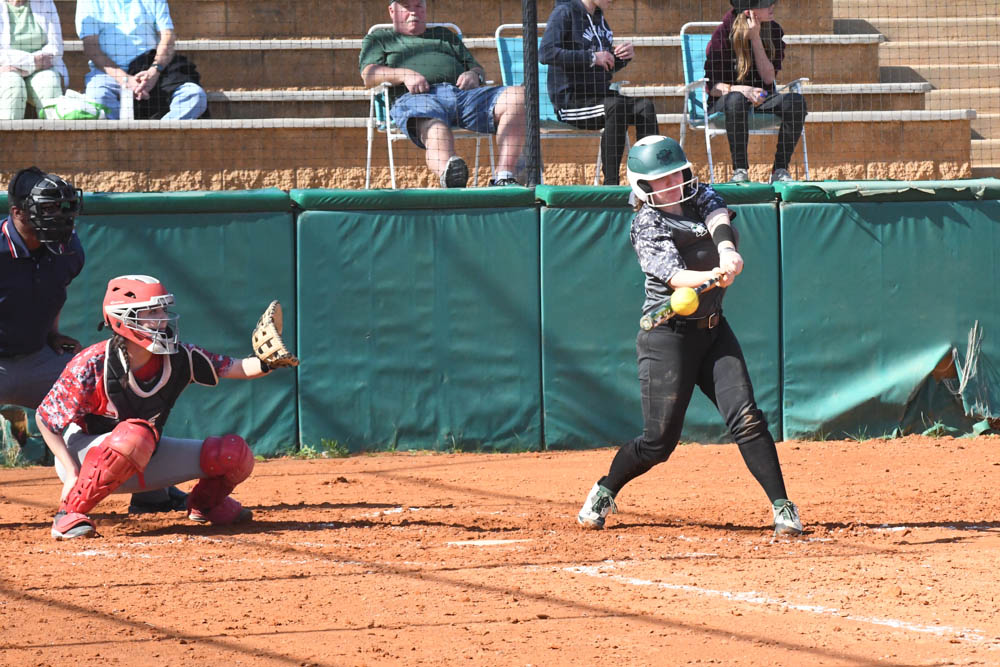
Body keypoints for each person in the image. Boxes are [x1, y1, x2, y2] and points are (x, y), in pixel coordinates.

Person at [576, 135, 802, 536]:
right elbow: (674, 275)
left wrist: (727, 252)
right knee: (658, 443)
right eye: (661, 180)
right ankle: (605, 489)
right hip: (667, 338)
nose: (672, 184)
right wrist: (710, 275)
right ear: (643, 186)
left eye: (676, 174)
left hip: (713, 331)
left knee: (747, 417)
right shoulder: (646, 223)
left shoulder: (699, 195)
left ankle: (782, 506)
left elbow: (718, 217)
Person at [36, 275, 286, 539]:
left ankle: (206, 504)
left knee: (233, 454)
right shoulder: (93, 363)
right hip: (84, 455)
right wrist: (71, 472)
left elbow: (237, 367)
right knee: (135, 435)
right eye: (152, 312)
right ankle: (69, 514)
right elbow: (45, 419)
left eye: (163, 310)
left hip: (142, 449)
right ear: (123, 318)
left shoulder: (178, 356)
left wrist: (267, 361)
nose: (163, 319)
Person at [0, 168, 188, 515]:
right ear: (17, 212)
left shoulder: (67, 248)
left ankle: (151, 492)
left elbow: (53, 291)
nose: (61, 217)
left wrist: (52, 334)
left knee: (117, 393)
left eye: (65, 207)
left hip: (37, 357)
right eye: (48, 208)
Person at [360, 0, 526, 188]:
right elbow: (368, 75)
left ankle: (504, 176)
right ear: (392, 11)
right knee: (435, 128)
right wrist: (404, 74)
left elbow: (477, 68)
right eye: (406, 7)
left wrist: (474, 75)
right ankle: (451, 175)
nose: (413, 12)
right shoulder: (379, 38)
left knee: (517, 96)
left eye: (418, 6)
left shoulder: (445, 35)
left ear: (425, 9)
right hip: (417, 98)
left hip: (463, 95)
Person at [539, 0, 659, 186]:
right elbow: (546, 53)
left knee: (645, 107)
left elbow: (605, 67)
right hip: (571, 102)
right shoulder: (564, 12)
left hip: (600, 97)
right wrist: (592, 57)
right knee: (616, 107)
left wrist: (620, 58)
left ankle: (649, 180)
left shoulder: (599, 18)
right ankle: (611, 184)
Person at [704, 0, 807, 184]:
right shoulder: (722, 34)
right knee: (736, 99)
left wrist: (755, 38)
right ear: (749, 11)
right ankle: (740, 171)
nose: (772, 6)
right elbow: (713, 87)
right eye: (766, 3)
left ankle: (780, 169)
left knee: (796, 102)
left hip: (762, 98)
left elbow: (768, 78)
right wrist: (742, 90)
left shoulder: (774, 31)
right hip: (726, 102)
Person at [76, 0, 207, 120]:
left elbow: (168, 37)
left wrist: (154, 71)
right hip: (108, 74)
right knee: (98, 97)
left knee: (195, 95)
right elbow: (91, 48)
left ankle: (159, 134)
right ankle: (122, 137)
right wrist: (125, 79)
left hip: (152, 69)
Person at [0, 0, 66, 119]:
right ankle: (8, 132)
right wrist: (32, 62)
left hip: (41, 68)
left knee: (50, 83)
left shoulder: (46, 3)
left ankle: (53, 131)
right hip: (6, 70)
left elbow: (56, 48)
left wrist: (27, 66)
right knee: (13, 86)